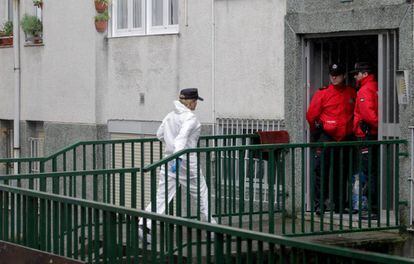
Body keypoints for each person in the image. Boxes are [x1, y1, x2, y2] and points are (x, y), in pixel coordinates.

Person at [138, 88, 216, 243]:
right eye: (195, 102)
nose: (196, 105)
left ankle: (144, 224)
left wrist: (172, 152)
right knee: (201, 192)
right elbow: (181, 140)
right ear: (191, 102)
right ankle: (210, 227)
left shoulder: (170, 116)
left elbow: (160, 135)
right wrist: (179, 157)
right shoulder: (190, 118)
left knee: (162, 195)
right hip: (186, 162)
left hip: (169, 161)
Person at [306, 63, 356, 214]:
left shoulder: (351, 93)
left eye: (338, 74)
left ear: (344, 75)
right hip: (327, 137)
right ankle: (319, 204)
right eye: (332, 75)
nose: (334, 77)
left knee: (342, 172)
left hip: (345, 138)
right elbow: (311, 116)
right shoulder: (322, 93)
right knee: (321, 171)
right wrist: (318, 133)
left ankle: (340, 205)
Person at [351, 62, 378, 217]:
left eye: (357, 73)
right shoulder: (376, 86)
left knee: (365, 172)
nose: (355, 76)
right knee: (372, 171)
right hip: (374, 135)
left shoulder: (364, 89)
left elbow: (368, 115)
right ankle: (371, 206)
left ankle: (365, 207)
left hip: (365, 136)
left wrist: (375, 126)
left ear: (365, 74)